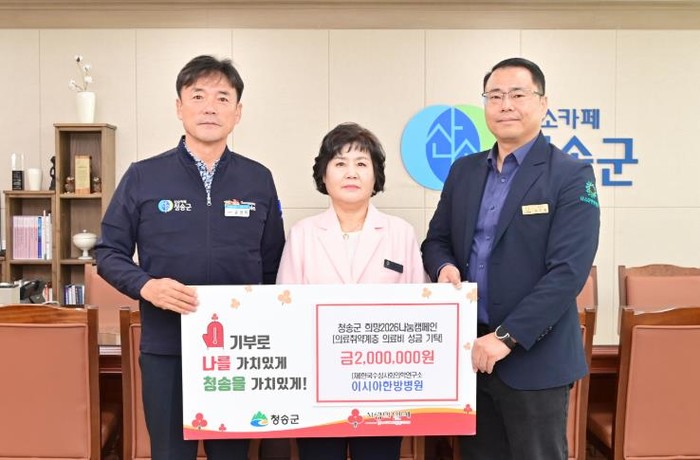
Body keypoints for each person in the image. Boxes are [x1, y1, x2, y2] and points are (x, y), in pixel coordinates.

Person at [95, 55, 285, 460]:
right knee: (169, 453)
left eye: (222, 98)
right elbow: (108, 251)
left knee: (232, 455)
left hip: (238, 351)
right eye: (198, 96)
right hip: (167, 347)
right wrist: (146, 285)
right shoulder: (143, 176)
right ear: (179, 107)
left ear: (238, 112)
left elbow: (273, 265)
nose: (210, 107)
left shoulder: (258, 179)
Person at [421, 57, 600, 460]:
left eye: (518, 95)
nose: (505, 105)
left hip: (535, 359)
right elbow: (436, 241)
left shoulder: (570, 174)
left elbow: (567, 272)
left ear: (543, 103)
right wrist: (444, 267)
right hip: (471, 355)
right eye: (495, 96)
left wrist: (506, 338)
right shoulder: (464, 171)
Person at [276, 122, 425, 460]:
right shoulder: (303, 233)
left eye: (361, 163)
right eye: (340, 163)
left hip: (383, 383)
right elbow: (285, 308)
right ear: (324, 175)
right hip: (317, 382)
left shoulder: (400, 232)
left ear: (376, 176)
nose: (351, 173)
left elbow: (419, 308)